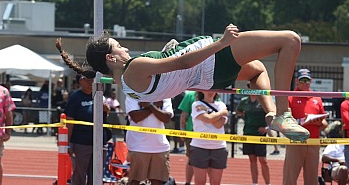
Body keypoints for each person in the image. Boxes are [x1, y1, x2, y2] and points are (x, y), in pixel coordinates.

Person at [56, 24, 310, 142]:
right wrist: (221, 43)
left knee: (257, 72)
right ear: (111, 58)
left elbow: (167, 70)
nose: (126, 47)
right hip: (212, 59)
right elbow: (180, 65)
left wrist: (169, 51)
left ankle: (271, 114)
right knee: (290, 40)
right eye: (119, 46)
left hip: (209, 78)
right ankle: (283, 114)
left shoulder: (127, 82)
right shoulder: (135, 68)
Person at [282, 69, 327, 185]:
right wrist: (301, 122)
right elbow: (284, 120)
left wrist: (319, 122)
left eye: (307, 80)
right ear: (297, 81)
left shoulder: (316, 98)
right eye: (302, 80)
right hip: (295, 142)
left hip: (313, 142)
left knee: (312, 180)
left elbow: (325, 123)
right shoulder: (290, 97)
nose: (305, 83)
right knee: (290, 179)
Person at [64, 74, 110, 185]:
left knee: (95, 178)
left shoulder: (99, 96)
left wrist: (106, 109)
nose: (90, 83)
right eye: (87, 80)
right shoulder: (75, 98)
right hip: (81, 143)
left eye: (92, 80)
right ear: (80, 81)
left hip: (98, 143)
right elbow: (69, 122)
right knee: (79, 178)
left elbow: (106, 117)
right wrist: (68, 144)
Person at [124, 98, 173, 185]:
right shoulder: (133, 94)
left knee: (156, 179)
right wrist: (155, 107)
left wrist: (149, 106)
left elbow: (166, 118)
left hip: (159, 145)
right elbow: (135, 116)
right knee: (134, 178)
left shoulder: (165, 95)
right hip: (137, 144)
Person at [188, 91, 229, 185]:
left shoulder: (221, 103)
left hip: (218, 146)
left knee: (216, 183)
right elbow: (208, 120)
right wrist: (220, 113)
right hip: (200, 146)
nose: (210, 91)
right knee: (199, 182)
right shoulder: (196, 104)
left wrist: (213, 114)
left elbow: (218, 125)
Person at [235, 82, 275, 185]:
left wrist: (267, 128)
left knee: (263, 160)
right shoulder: (244, 101)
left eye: (253, 86)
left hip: (260, 134)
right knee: (252, 159)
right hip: (248, 132)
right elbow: (238, 111)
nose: (251, 88)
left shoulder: (263, 100)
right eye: (249, 86)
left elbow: (272, 115)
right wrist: (243, 115)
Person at [177, 90, 196, 185]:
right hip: (192, 132)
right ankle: (188, 183)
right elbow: (184, 114)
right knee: (191, 159)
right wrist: (182, 130)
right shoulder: (190, 95)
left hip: (208, 133)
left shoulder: (214, 93)